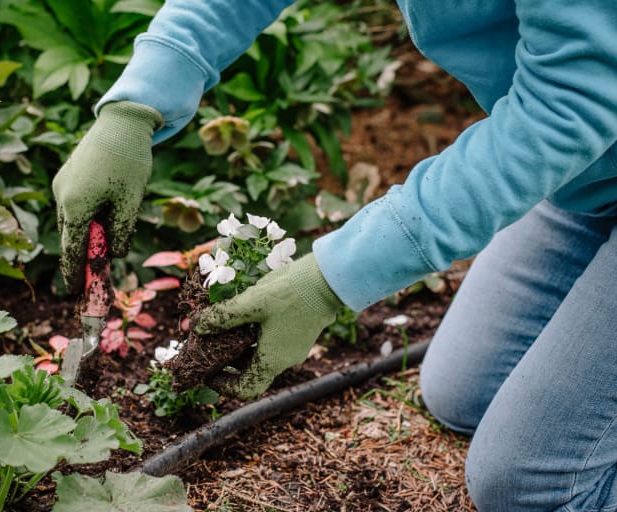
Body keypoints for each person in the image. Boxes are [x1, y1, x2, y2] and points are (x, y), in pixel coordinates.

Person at [52, 1, 617, 510]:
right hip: (590, 179)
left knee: (531, 485)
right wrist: (136, 105)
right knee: (460, 395)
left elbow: (565, 105)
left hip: (582, 129)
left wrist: (329, 280)